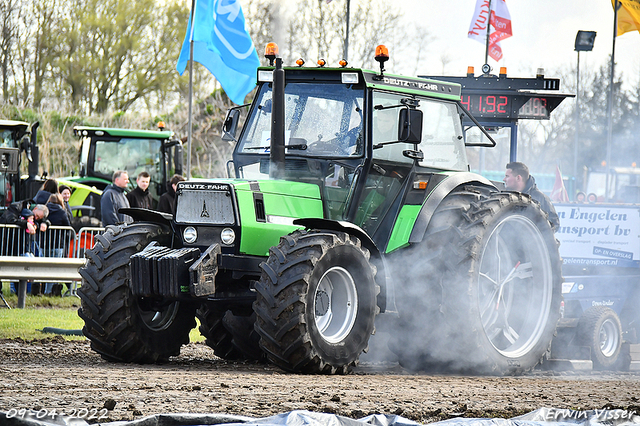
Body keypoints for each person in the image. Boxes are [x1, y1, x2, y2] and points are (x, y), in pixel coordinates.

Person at [504, 162, 560, 230]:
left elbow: (554, 224)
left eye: (507, 176)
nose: (504, 179)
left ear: (518, 178)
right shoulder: (504, 198)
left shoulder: (540, 198)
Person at [44, 193, 72, 295]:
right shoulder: (62, 212)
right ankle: (51, 291)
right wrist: (67, 239)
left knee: (44, 267)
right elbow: (68, 227)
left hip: (45, 243)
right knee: (54, 268)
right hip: (58, 244)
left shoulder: (45, 210)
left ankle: (44, 290)